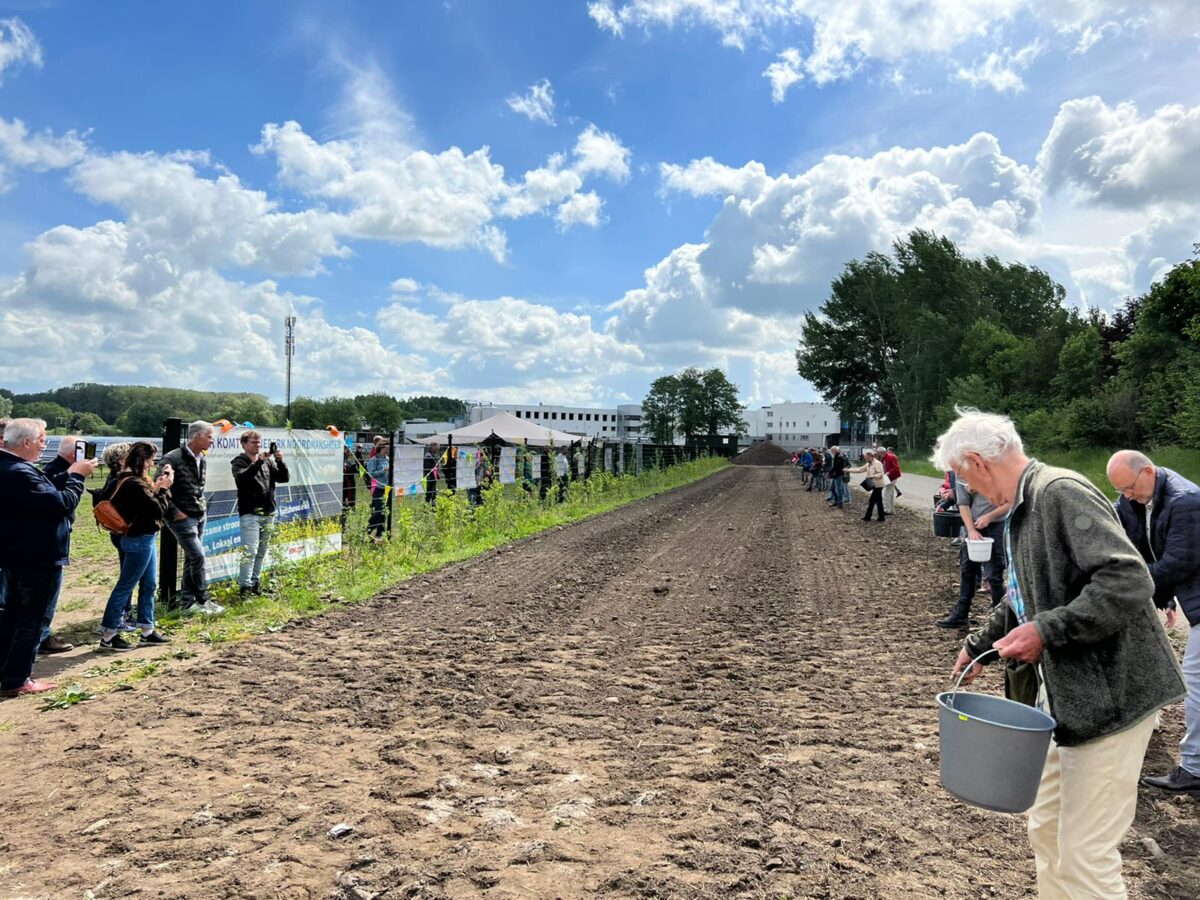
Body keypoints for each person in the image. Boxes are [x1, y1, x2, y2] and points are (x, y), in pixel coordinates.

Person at [938, 410, 1185, 899]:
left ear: (976, 462)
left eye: (967, 480)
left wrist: (1047, 631)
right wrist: (977, 645)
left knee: (1085, 855)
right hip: (1066, 699)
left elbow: (1129, 580)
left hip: (1113, 699)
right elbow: (1021, 595)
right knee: (1046, 829)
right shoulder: (1023, 510)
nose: (976, 495)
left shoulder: (1059, 492)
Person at [1107, 450, 1200, 796]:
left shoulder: (1186, 500)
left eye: (1129, 487)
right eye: (1121, 491)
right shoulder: (1135, 501)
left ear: (1148, 471)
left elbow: (1179, 561)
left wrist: (1124, 583)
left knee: (1195, 680)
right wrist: (1160, 599)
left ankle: (1193, 768)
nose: (1126, 495)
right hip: (1189, 596)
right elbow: (1144, 550)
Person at [0, 418, 97, 697]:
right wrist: (77, 475)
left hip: (15, 555)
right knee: (33, 617)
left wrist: (68, 476)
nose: (45, 445)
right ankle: (18, 677)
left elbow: (44, 496)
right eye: (43, 439)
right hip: (37, 557)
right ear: (27, 442)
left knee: (12, 615)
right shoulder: (19, 472)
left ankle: (8, 672)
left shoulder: (12, 468)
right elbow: (60, 504)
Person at [98, 442, 173, 651]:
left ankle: (147, 630)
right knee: (125, 586)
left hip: (144, 538)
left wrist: (157, 489)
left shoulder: (127, 481)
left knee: (149, 585)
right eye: (150, 460)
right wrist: (165, 489)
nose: (152, 464)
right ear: (142, 460)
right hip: (138, 539)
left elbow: (146, 507)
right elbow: (157, 510)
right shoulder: (134, 484)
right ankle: (109, 635)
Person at [159, 421, 221, 616]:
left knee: (192, 558)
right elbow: (160, 486)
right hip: (182, 517)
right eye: (210, 436)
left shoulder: (202, 458)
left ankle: (187, 602)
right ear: (197, 436)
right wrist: (175, 512)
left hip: (198, 514)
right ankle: (202, 599)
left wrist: (201, 507)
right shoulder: (173, 458)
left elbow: (198, 486)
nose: (212, 440)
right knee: (198, 556)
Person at [38, 434, 92, 653]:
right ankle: (42, 637)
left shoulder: (52, 470)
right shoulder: (52, 472)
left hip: (53, 538)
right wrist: (75, 476)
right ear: (73, 453)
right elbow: (61, 502)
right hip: (49, 543)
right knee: (46, 593)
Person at [936, 477, 1007, 628]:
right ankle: (961, 614)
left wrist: (989, 516)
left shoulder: (996, 469)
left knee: (994, 574)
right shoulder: (961, 474)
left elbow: (1010, 501)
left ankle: (1000, 620)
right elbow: (963, 503)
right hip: (974, 524)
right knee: (967, 570)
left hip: (997, 525)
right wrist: (971, 530)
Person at [231, 431, 290, 596]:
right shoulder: (239, 462)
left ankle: (255, 583)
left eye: (259, 442)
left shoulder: (267, 462)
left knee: (261, 551)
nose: (257, 445)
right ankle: (244, 587)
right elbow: (243, 479)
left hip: (268, 511)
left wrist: (280, 461)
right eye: (253, 442)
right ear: (243, 444)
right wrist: (259, 462)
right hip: (250, 512)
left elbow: (283, 478)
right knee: (249, 551)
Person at [846, 449, 886, 521]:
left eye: (866, 458)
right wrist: (848, 470)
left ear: (871, 456)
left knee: (872, 500)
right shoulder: (868, 464)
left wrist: (872, 476)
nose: (865, 459)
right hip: (873, 484)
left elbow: (881, 474)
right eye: (865, 458)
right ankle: (881, 517)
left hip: (878, 485)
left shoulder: (877, 463)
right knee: (879, 501)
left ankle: (868, 517)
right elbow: (860, 469)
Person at [365, 441, 389, 541]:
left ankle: (379, 535)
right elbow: (371, 474)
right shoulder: (374, 460)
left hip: (387, 489)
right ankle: (367, 531)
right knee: (378, 511)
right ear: (381, 448)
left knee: (384, 512)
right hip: (378, 488)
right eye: (387, 448)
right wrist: (383, 471)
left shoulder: (388, 459)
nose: (388, 450)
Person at [882, 447, 903, 513]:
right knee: (890, 493)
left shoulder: (892, 457)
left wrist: (889, 472)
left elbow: (896, 467)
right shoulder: (884, 458)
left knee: (887, 493)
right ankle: (892, 510)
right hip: (887, 477)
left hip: (892, 477)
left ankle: (886, 510)